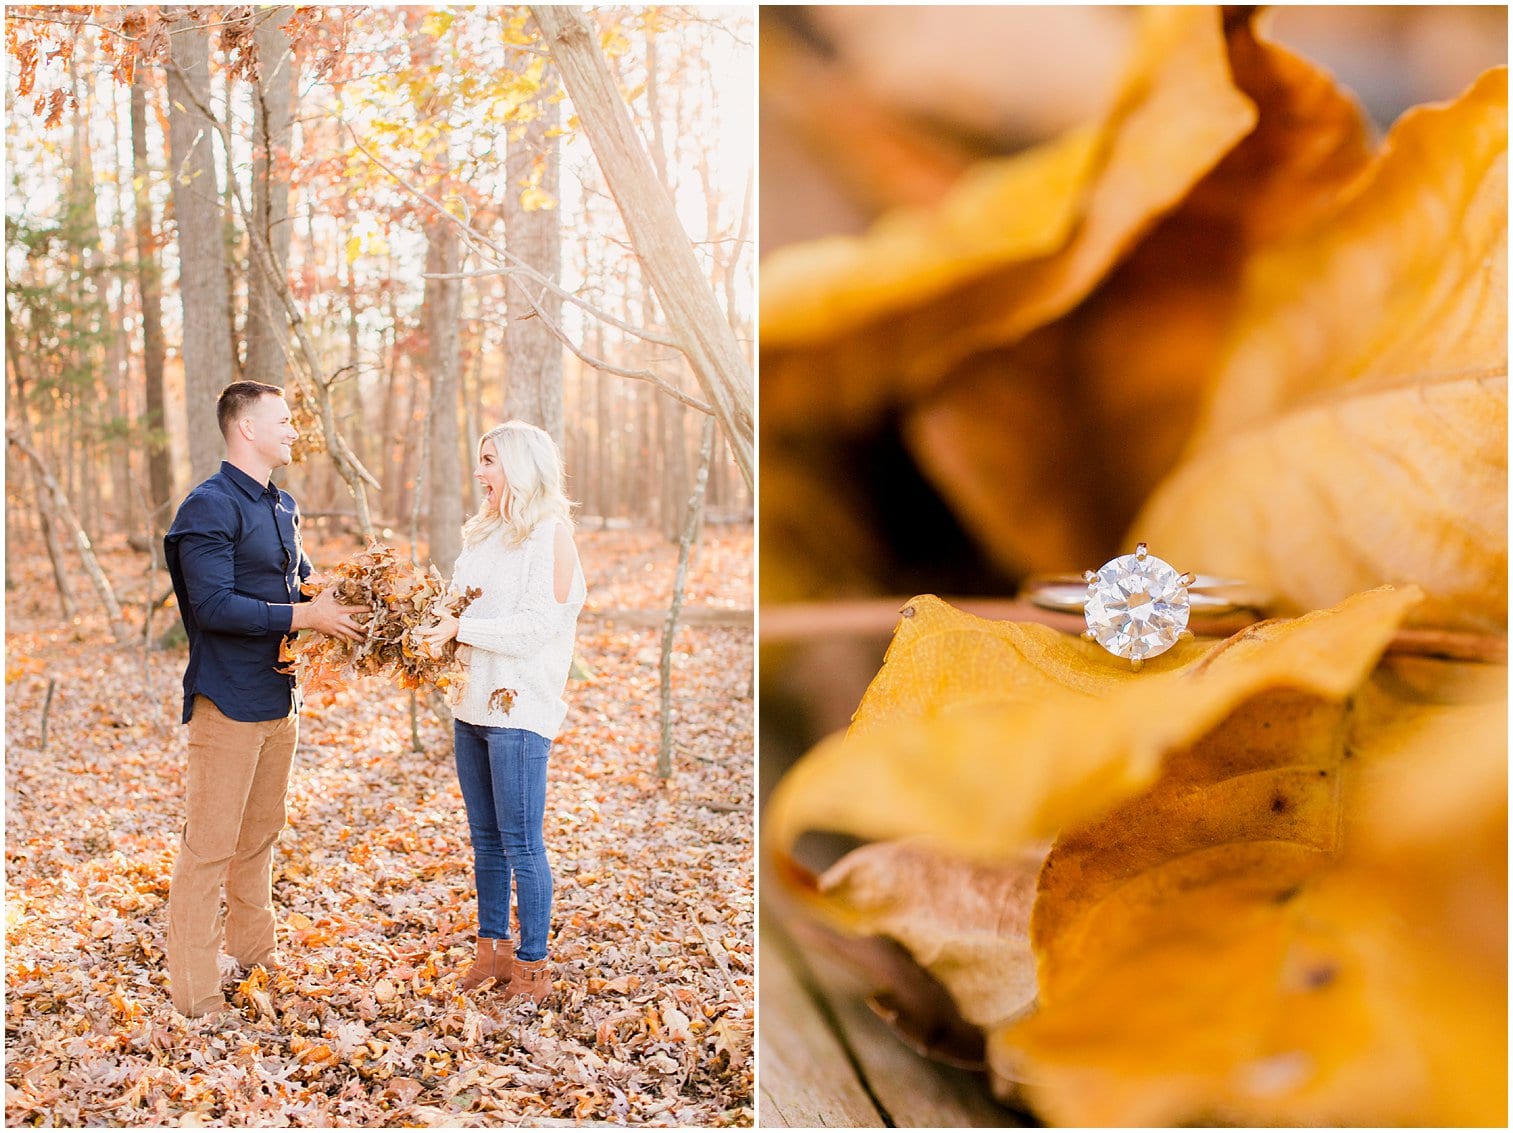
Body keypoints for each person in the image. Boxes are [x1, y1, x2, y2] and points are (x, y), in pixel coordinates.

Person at [162, 381, 370, 1018]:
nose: (292, 430)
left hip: (280, 699)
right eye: (282, 420)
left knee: (259, 838)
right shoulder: (208, 507)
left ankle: (254, 956)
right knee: (210, 848)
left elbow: (299, 582)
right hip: (226, 700)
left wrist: (343, 595)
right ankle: (195, 994)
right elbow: (214, 605)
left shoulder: (283, 506)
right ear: (246, 428)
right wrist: (306, 618)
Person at [416, 420, 585, 1005]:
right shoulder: (482, 535)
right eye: (480, 459)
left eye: (489, 460)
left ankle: (533, 968)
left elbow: (539, 627)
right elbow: (455, 606)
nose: (480, 471)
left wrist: (461, 628)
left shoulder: (551, 536)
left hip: (519, 709)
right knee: (484, 839)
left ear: (519, 466)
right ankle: (493, 952)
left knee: (521, 842)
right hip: (470, 704)